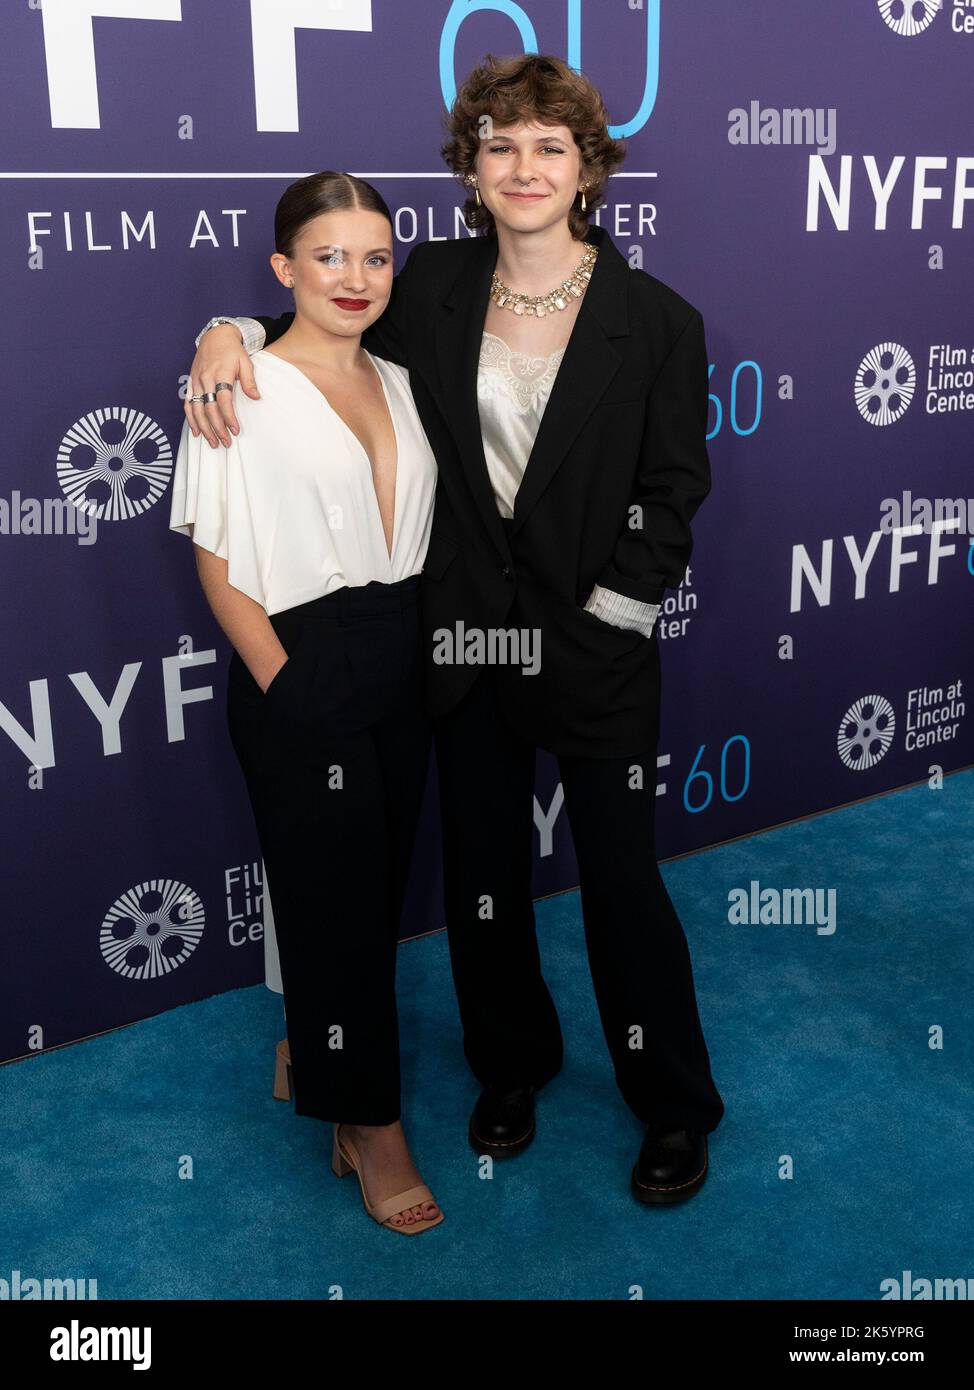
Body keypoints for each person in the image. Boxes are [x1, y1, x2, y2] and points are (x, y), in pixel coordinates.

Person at [185, 53, 725, 1204]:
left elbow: (672, 492)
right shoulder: (429, 284)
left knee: (624, 884)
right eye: (499, 145)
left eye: (548, 146)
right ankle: (511, 1065)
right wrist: (221, 330)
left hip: (595, 652)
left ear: (586, 168)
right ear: (470, 171)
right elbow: (317, 315)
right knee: (483, 876)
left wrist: (604, 626)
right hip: (464, 647)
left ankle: (670, 1100)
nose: (522, 166)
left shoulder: (657, 322)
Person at [170, 171, 444, 1235]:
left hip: (405, 653)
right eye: (328, 255)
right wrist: (290, 685)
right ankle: (368, 1126)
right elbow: (218, 561)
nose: (355, 276)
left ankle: (312, 1043)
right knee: (332, 898)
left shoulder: (404, 378)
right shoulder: (238, 384)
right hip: (300, 655)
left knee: (367, 894)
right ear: (283, 269)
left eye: (375, 256)